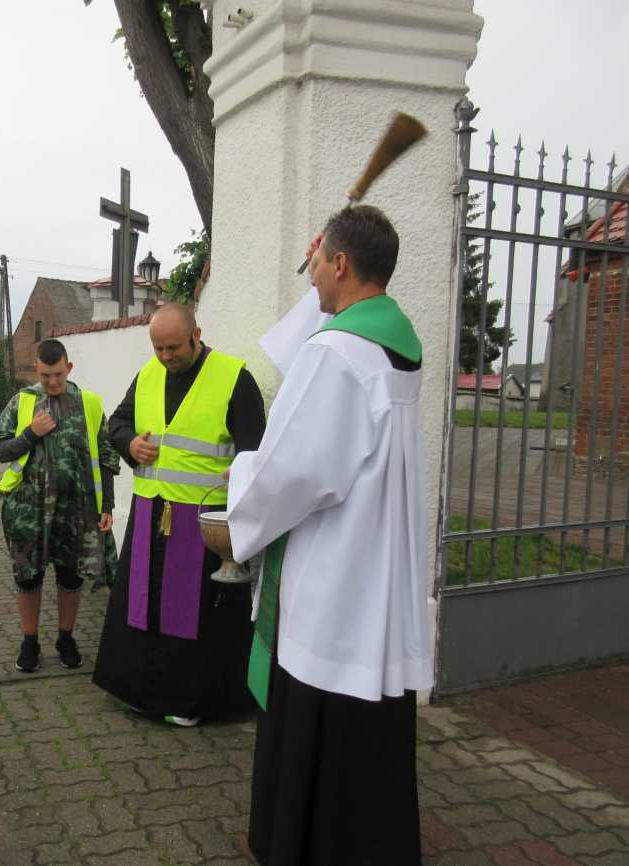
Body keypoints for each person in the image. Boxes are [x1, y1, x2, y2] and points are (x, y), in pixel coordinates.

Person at [225, 206, 431, 865]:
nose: (309, 274)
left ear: (340, 264)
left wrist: (237, 503)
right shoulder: (393, 342)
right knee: (367, 728)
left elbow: (292, 473)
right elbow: (312, 338)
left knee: (317, 699)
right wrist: (322, 266)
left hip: (333, 573)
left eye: (317, 262)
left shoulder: (336, 355)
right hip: (376, 564)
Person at [92, 302, 266, 726]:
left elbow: (257, 451)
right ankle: (138, 693)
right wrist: (130, 443)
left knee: (194, 618)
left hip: (205, 523)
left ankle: (189, 704)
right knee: (143, 607)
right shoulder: (148, 373)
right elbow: (115, 424)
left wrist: (240, 482)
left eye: (174, 347)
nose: (166, 357)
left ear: (196, 334)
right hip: (151, 512)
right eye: (158, 348)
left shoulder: (234, 378)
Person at [0, 339, 119, 673]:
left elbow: (105, 457)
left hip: (75, 510)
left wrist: (107, 504)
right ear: (37, 369)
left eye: (58, 374)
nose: (52, 382)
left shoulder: (88, 403)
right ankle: (29, 642)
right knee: (28, 577)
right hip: (27, 509)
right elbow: (2, 450)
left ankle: (66, 638)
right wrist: (31, 434)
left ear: (69, 368)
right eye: (46, 375)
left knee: (70, 576)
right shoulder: (23, 402)